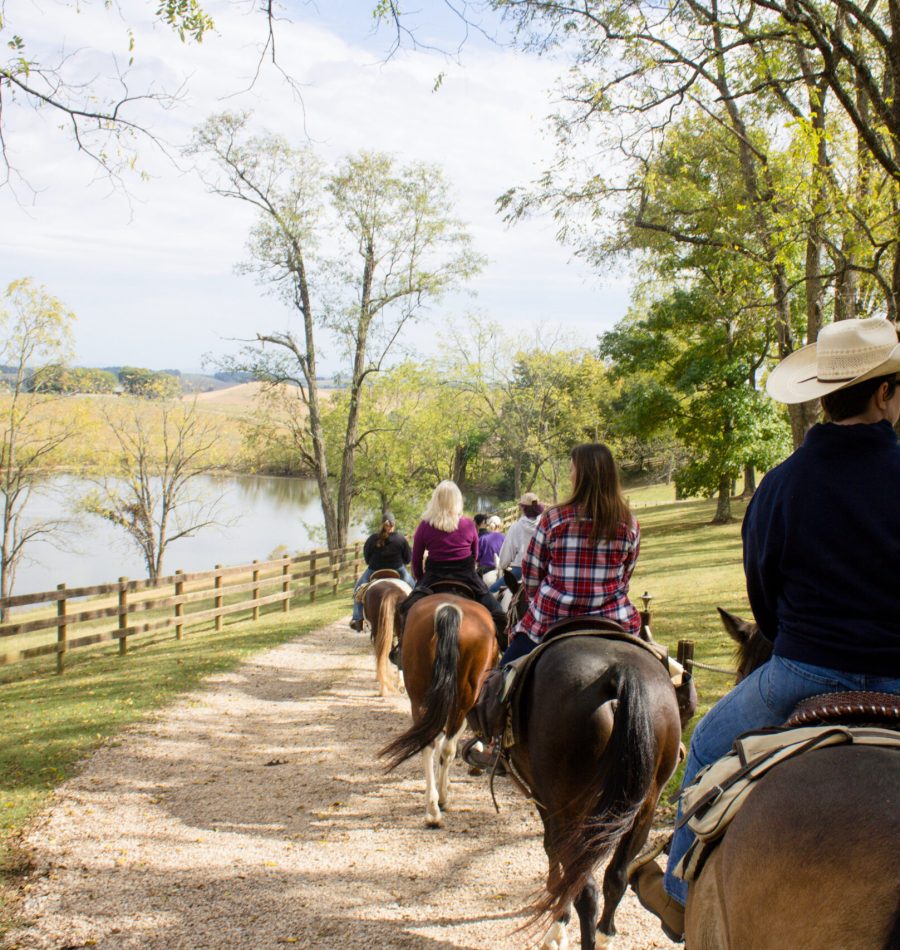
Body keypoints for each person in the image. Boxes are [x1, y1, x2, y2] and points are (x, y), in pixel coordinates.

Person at [629, 316, 900, 943]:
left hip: (803, 671)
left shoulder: (781, 485)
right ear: (883, 394)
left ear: (824, 393)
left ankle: (675, 895)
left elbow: (764, 596)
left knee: (702, 752)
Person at [501, 444, 640, 666]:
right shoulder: (629, 523)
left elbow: (532, 575)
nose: (569, 475)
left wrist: (538, 597)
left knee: (497, 683)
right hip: (614, 618)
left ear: (582, 475)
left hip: (553, 618)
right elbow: (625, 577)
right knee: (661, 667)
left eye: (571, 469)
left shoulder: (553, 518)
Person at [403, 480, 507, 641]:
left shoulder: (425, 525)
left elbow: (416, 559)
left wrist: (420, 578)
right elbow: (476, 555)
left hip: (433, 576)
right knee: (498, 612)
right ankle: (503, 650)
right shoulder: (468, 524)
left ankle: (401, 649)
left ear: (435, 500)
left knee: (404, 611)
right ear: (457, 501)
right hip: (466, 576)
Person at [349, 512, 414, 631]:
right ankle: (415, 616)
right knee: (415, 589)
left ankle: (357, 618)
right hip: (398, 570)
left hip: (374, 569)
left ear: (381, 524)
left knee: (358, 590)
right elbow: (408, 559)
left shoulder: (372, 538)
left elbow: (367, 558)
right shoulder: (400, 538)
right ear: (394, 524)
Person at [488, 492, 545, 594]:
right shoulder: (545, 525)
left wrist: (503, 565)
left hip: (520, 571)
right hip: (542, 572)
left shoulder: (516, 527)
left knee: (490, 591)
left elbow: (507, 552)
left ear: (523, 508)